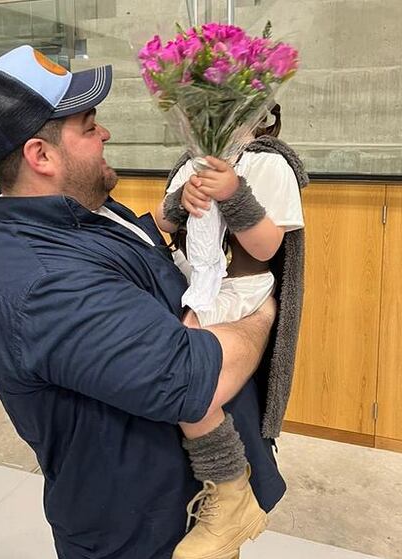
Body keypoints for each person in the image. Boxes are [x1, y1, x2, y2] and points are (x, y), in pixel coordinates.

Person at [0, 45, 287, 559]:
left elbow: (130, 251)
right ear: (41, 156)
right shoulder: (46, 287)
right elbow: (198, 378)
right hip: (143, 532)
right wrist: (262, 306)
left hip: (178, 499)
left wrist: (179, 216)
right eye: (89, 126)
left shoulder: (78, 215)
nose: (105, 135)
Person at [155, 103, 307, 556]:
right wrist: (178, 201)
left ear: (259, 112)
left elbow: (268, 245)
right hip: (192, 279)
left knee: (183, 369)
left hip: (239, 289)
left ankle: (229, 488)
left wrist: (235, 193)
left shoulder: (269, 164)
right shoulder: (190, 164)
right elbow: (161, 225)